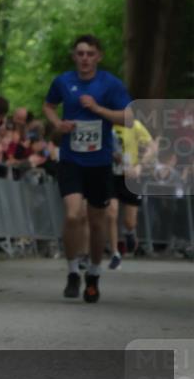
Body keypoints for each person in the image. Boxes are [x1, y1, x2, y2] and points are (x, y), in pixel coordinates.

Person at [42, 34, 132, 303]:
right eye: (80, 53)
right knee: (72, 216)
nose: (84, 58)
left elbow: (128, 117)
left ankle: (93, 274)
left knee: (97, 222)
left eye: (90, 53)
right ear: (74, 56)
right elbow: (48, 106)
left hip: (100, 163)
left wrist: (98, 108)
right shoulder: (63, 82)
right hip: (71, 160)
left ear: (98, 57)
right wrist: (58, 123)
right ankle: (72, 272)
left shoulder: (110, 84)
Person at [106, 118, 154, 268]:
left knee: (129, 221)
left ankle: (130, 232)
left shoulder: (135, 125)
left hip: (130, 176)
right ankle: (115, 253)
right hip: (110, 174)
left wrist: (140, 166)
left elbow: (152, 147)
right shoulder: (105, 124)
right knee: (111, 213)